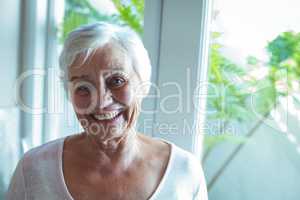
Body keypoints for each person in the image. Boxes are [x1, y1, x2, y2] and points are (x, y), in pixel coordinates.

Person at [6, 22, 208, 200]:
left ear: (144, 85)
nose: (101, 102)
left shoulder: (184, 171)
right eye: (83, 87)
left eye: (117, 81)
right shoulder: (34, 169)